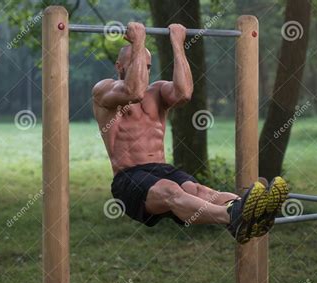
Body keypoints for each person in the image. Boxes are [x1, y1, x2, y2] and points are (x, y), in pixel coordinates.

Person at [92, 22, 288, 244]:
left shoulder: (157, 91)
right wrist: (139, 43)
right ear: (120, 66)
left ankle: (255, 210)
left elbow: (184, 93)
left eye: (147, 66)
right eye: (136, 63)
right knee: (171, 190)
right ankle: (234, 216)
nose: (144, 71)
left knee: (198, 190)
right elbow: (134, 91)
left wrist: (178, 43)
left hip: (162, 169)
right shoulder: (105, 90)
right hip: (130, 178)